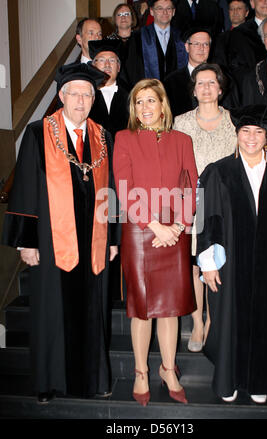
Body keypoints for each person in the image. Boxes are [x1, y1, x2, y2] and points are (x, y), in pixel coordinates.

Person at [2, 63, 120, 403]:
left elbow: (110, 190)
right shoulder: (40, 132)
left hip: (94, 238)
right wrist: (26, 240)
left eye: (87, 94)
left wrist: (112, 239)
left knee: (93, 311)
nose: (81, 101)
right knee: (51, 312)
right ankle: (47, 382)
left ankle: (94, 379)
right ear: (61, 96)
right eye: (75, 94)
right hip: (53, 241)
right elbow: (24, 186)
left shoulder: (102, 136)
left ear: (94, 98)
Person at [196, 104, 267, 404]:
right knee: (229, 321)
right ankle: (229, 380)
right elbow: (206, 219)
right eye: (245, 131)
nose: (251, 138)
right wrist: (208, 263)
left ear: (266, 135)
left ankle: (259, 381)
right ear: (237, 134)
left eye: (258, 132)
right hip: (231, 263)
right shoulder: (218, 171)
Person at [113, 78, 198, 406]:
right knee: (142, 309)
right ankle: (140, 372)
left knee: (170, 308)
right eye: (139, 102)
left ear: (163, 105)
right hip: (139, 229)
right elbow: (123, 188)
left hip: (174, 230)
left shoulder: (182, 140)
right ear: (133, 109)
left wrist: (176, 225)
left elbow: (190, 185)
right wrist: (153, 226)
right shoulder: (123, 138)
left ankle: (167, 369)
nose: (145, 108)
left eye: (151, 101)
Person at [173, 63, 236, 353]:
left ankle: (213, 319)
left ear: (220, 89)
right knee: (195, 262)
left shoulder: (235, 122)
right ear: (194, 89)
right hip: (191, 204)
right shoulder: (180, 122)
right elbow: (174, 166)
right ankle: (197, 322)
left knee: (217, 260)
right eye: (201, 83)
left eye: (212, 83)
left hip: (225, 205)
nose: (207, 88)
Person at [124, 0, 188, 89]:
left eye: (168, 8)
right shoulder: (137, 37)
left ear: (173, 12)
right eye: (160, 8)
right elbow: (132, 70)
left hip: (176, 94)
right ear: (151, 11)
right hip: (147, 93)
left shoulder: (182, 37)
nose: (165, 12)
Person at [164, 27, 212, 117]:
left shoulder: (219, 78)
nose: (201, 48)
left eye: (205, 44)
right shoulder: (171, 82)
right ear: (187, 47)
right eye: (196, 44)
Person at [227, 0, 267, 90]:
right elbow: (237, 70)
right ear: (252, 4)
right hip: (253, 92)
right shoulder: (239, 34)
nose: (266, 2)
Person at [88, 40, 129, 139]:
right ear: (93, 66)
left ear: (118, 67)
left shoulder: (131, 94)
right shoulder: (86, 95)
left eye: (112, 60)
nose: (107, 65)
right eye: (102, 60)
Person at [213, 0, 249, 68]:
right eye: (232, 9)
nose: (235, 12)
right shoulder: (220, 39)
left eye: (239, 8)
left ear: (246, 13)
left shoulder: (254, 36)